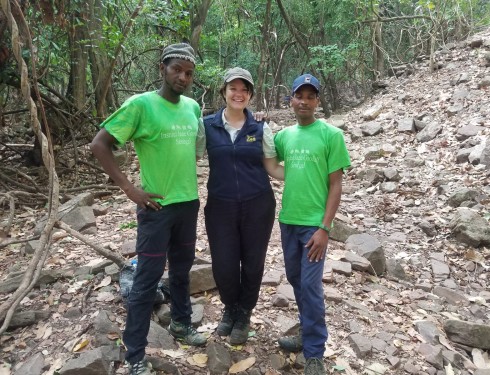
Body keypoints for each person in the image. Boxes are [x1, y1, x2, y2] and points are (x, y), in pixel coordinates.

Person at [90, 43, 207, 375]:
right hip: (156, 209)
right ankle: (135, 356)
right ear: (162, 68)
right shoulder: (140, 105)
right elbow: (99, 145)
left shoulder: (192, 108)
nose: (183, 77)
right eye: (177, 70)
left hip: (188, 203)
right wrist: (130, 188)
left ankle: (182, 325)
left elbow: (193, 151)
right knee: (146, 279)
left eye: (188, 73)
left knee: (182, 271)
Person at [273, 74, 351, 375]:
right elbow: (273, 164)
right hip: (287, 221)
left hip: (313, 226)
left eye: (310, 96)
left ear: (317, 101)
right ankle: (306, 332)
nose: (304, 101)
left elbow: (336, 185)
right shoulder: (284, 136)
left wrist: (325, 228)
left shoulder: (331, 135)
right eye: (299, 95)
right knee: (295, 280)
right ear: (291, 99)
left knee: (310, 285)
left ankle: (315, 351)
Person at [200, 67, 283, 345]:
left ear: (250, 95)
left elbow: (272, 166)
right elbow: (187, 154)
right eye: (233, 88)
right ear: (223, 92)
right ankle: (229, 308)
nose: (239, 93)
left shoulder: (261, 127)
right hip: (220, 206)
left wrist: (309, 173)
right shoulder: (207, 126)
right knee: (223, 263)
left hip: (257, 204)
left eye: (244, 89)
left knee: (252, 262)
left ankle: (244, 312)